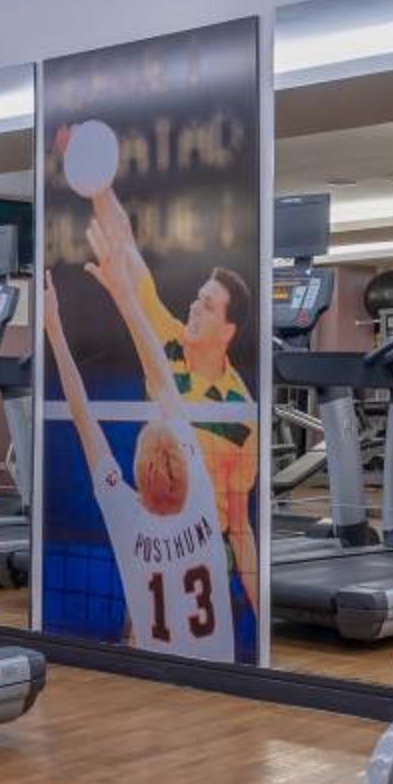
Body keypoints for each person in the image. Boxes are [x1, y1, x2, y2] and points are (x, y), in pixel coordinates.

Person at [78, 184, 261, 603]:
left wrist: (259, 608)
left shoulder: (241, 413)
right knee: (141, 625)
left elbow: (240, 525)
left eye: (208, 306)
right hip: (154, 533)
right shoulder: (166, 339)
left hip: (205, 550)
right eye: (198, 298)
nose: (194, 307)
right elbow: (125, 244)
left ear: (228, 331)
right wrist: (99, 184)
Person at [42, 268, 233, 658]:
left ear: (137, 476)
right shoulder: (201, 502)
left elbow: (82, 416)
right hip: (219, 672)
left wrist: (53, 329)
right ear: (186, 467)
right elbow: (162, 381)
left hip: (154, 675)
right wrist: (127, 299)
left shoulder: (126, 516)